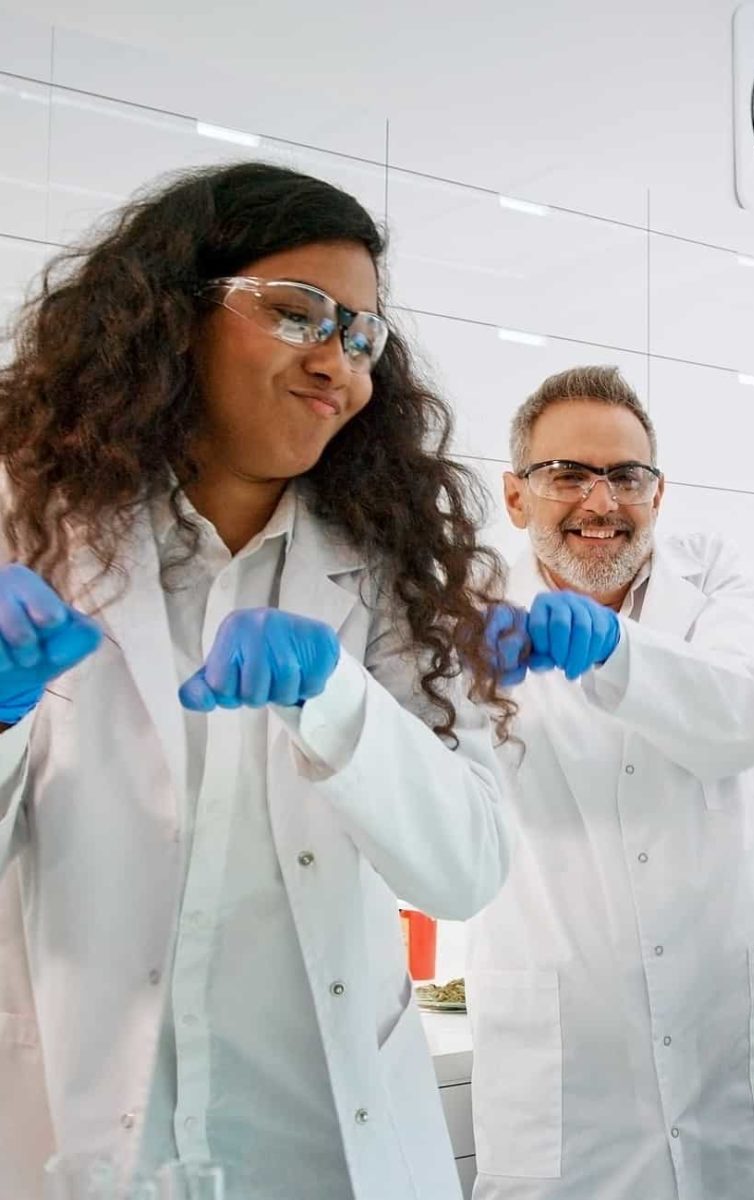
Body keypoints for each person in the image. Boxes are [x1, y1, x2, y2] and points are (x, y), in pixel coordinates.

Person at [0, 162, 511, 1200]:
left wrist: (338, 702)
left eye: (361, 336)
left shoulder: (399, 570)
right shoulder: (27, 525)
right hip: (81, 1132)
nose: (338, 364)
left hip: (318, 1145)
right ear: (170, 316)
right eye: (296, 312)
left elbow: (465, 869)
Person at [472, 366, 754, 1200]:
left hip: (737, 1050)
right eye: (567, 474)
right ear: (517, 497)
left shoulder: (714, 578)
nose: (601, 502)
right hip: (571, 1071)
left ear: (658, 495)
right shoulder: (468, 607)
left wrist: (614, 652)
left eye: (626, 477)